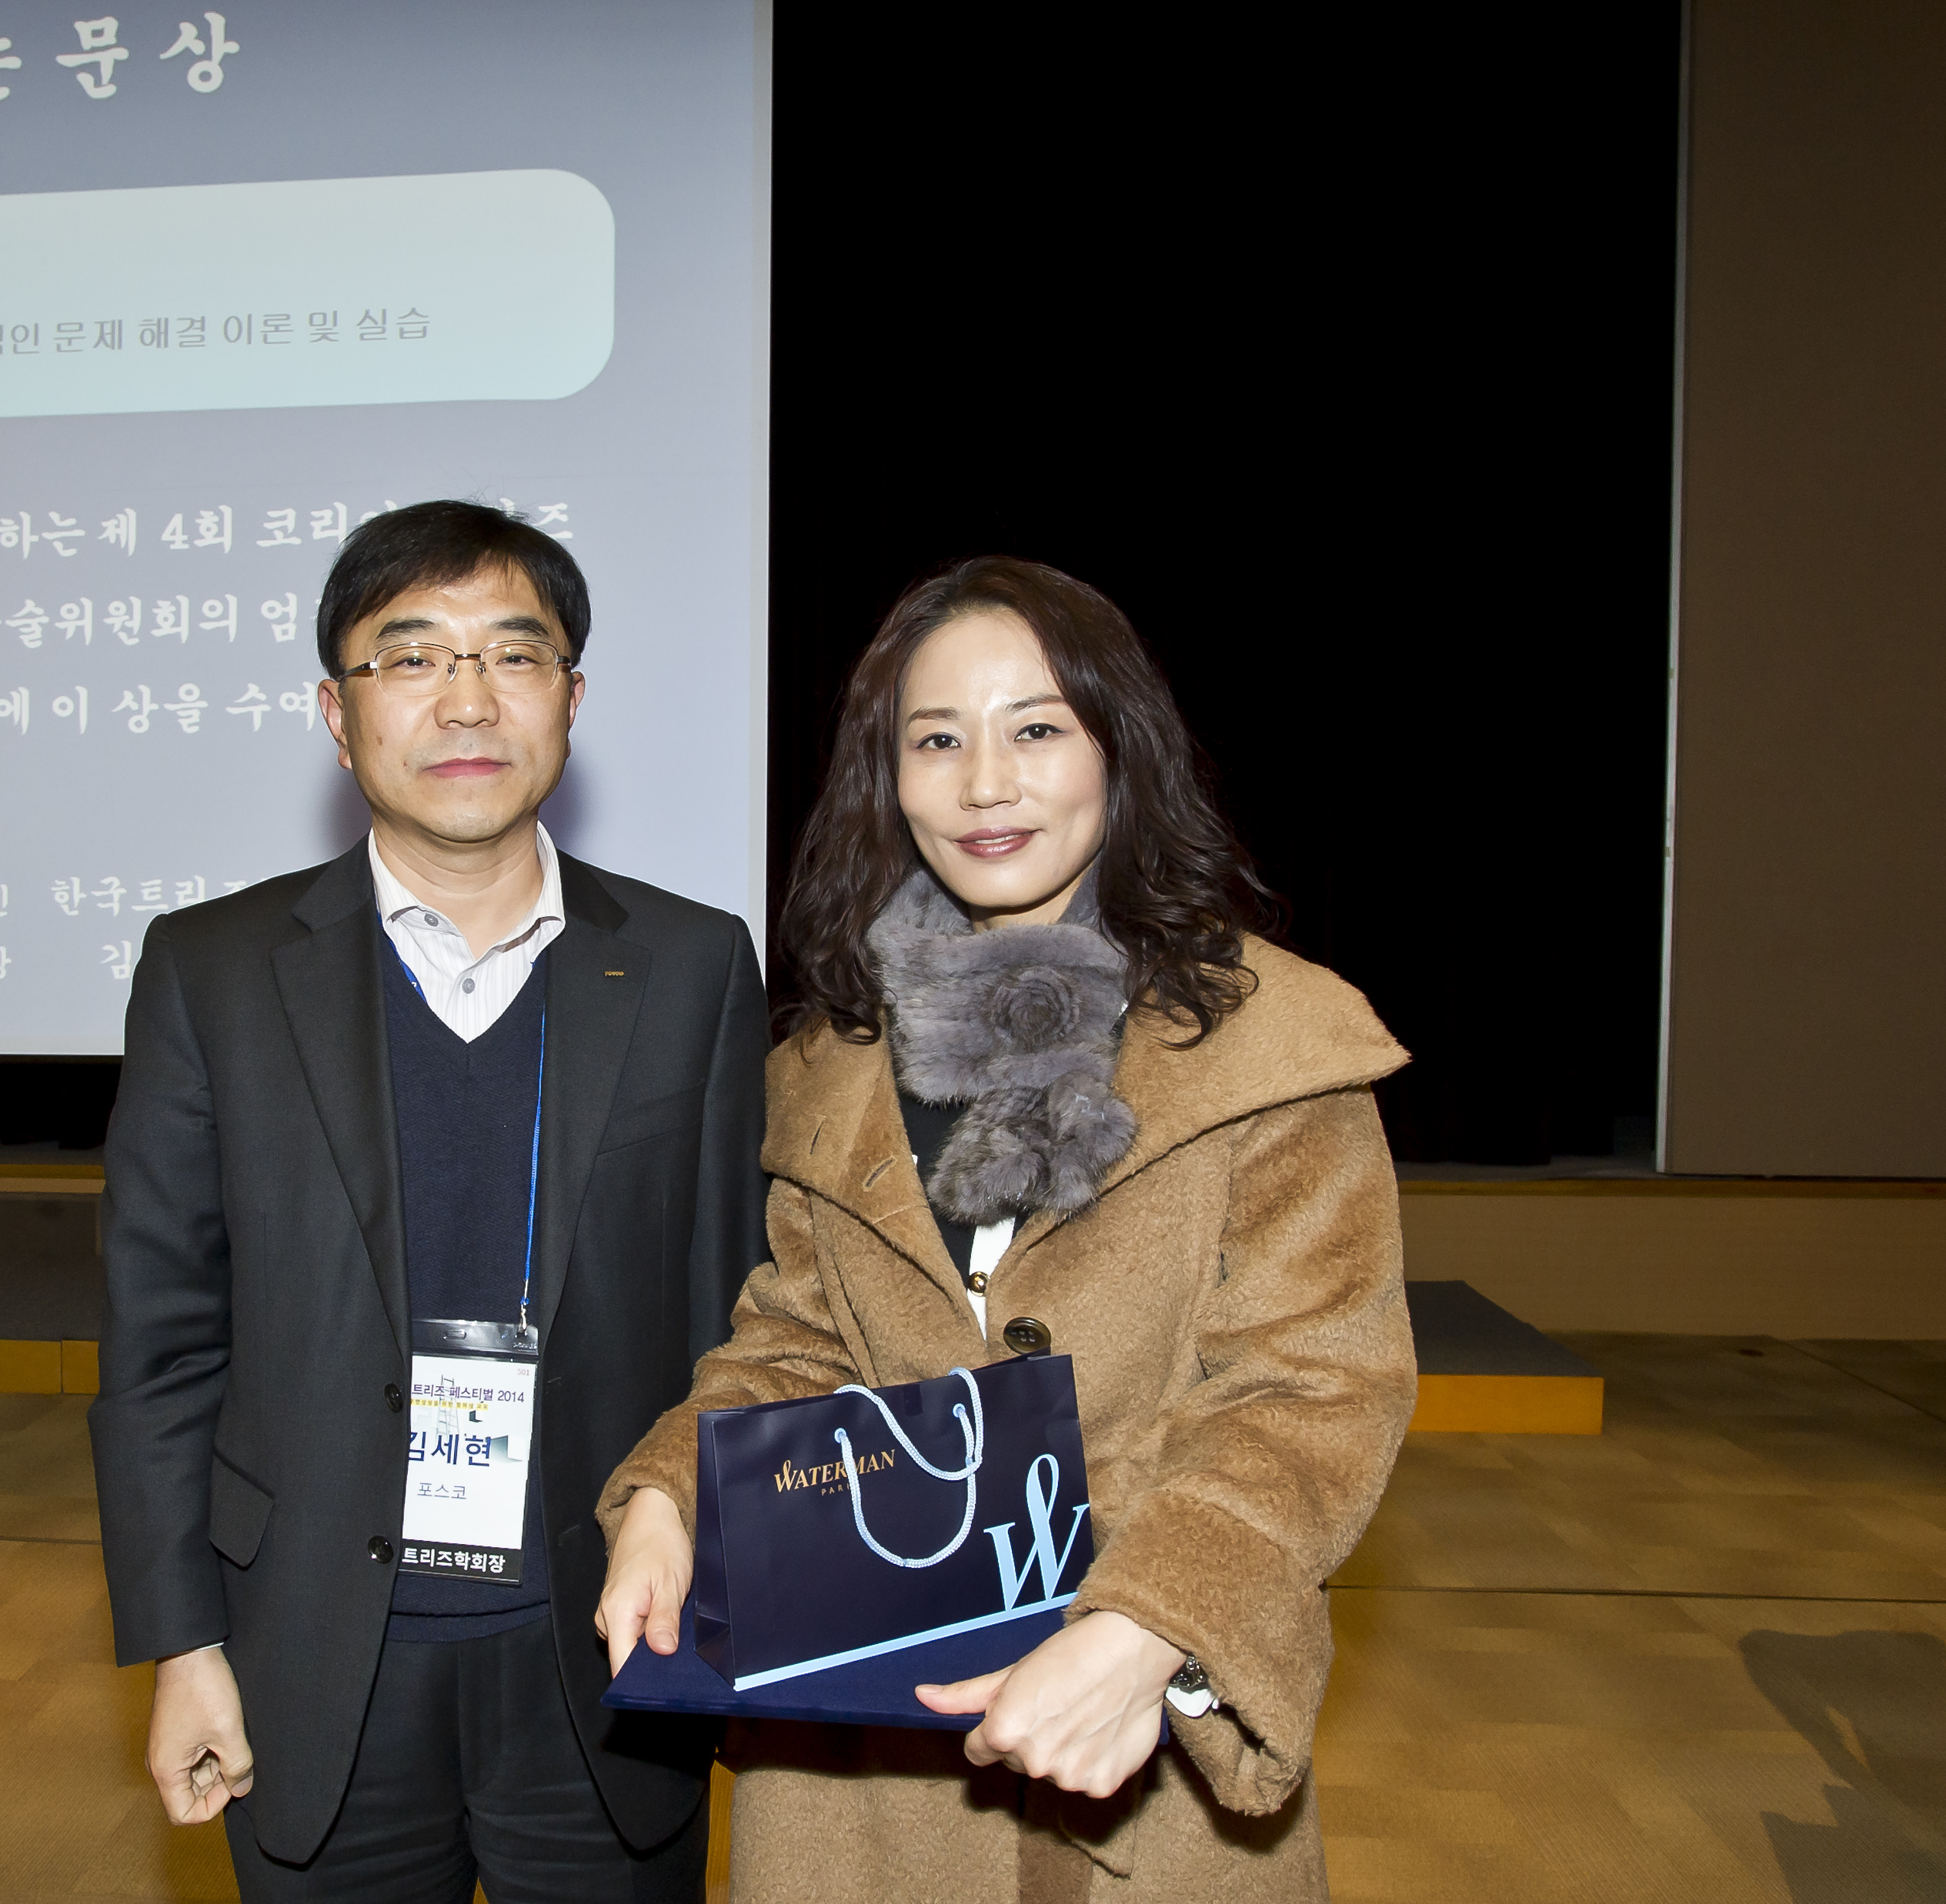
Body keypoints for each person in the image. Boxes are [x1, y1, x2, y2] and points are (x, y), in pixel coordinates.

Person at [593, 556, 1416, 1901]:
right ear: (888, 779)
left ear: (1119, 747)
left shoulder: (1269, 1043)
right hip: (863, 1764)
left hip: (1148, 1734)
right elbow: (796, 1344)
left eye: (1035, 729)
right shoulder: (833, 1066)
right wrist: (674, 1492)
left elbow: (1314, 1390)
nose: (985, 783)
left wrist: (1153, 1624)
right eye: (936, 741)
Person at [92, 500, 770, 1901]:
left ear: (571, 701)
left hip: (608, 1649)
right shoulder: (213, 973)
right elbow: (160, 1346)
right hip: (307, 1654)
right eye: (410, 659)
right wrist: (183, 1646)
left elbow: (739, 1318)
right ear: (336, 717)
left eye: (513, 656)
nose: (467, 700)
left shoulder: (693, 967)